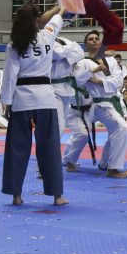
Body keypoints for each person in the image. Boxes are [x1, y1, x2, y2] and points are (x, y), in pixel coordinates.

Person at [0, 4, 68, 206]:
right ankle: (57, 196)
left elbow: (9, 76)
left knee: (17, 148)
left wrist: (6, 102)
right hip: (45, 98)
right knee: (50, 147)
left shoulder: (15, 44)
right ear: (37, 21)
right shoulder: (47, 36)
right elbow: (55, 20)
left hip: (21, 99)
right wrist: (61, 7)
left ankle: (16, 196)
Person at [73, 30, 127, 178]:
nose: (94, 40)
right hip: (93, 104)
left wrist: (98, 81)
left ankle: (106, 164)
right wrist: (94, 70)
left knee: (117, 130)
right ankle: (70, 161)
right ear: (86, 45)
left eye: (96, 39)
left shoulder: (111, 61)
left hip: (108, 103)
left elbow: (119, 80)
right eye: (91, 39)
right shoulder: (83, 63)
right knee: (84, 133)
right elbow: (78, 80)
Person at [50, 35, 87, 171]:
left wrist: (65, 53)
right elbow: (56, 53)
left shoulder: (62, 39)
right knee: (57, 128)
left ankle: (50, 160)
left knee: (60, 127)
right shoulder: (45, 39)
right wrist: (71, 49)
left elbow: (80, 52)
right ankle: (47, 162)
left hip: (66, 89)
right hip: (52, 90)